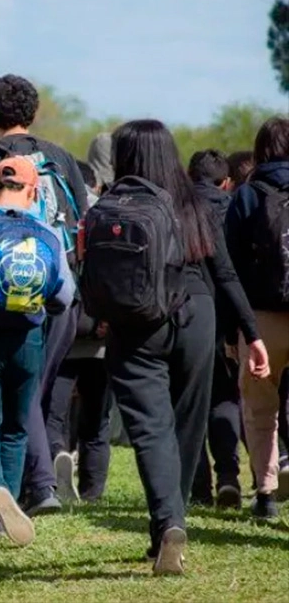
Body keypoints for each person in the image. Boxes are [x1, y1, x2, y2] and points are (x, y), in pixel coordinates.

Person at [90, 120, 264, 574]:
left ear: (124, 157)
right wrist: (252, 333)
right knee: (188, 424)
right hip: (197, 315)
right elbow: (225, 273)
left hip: (135, 322)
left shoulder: (111, 205)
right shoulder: (193, 203)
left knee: (151, 428)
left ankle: (168, 523)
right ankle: (171, 525)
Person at [0, 74, 89, 517]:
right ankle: (33, 486)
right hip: (54, 291)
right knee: (29, 395)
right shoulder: (62, 160)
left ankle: (37, 487)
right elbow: (82, 230)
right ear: (34, 112)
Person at [0, 158, 75, 545]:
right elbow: (64, 297)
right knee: (16, 428)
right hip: (28, 339)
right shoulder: (48, 233)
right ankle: (0, 515)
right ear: (34, 191)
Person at [226, 116, 289, 518]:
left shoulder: (247, 195)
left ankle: (265, 494)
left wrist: (236, 328)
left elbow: (229, 266)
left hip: (260, 321)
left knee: (260, 407)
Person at [47, 159, 112, 504]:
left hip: (65, 332)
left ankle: (57, 455)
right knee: (97, 420)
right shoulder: (107, 213)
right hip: (101, 336)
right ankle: (93, 491)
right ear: (95, 185)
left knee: (53, 413)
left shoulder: (56, 210)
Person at [186, 149, 245, 508]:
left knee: (190, 402)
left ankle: (199, 489)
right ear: (225, 183)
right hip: (228, 317)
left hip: (188, 314)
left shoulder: (177, 207)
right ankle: (228, 475)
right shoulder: (234, 206)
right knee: (225, 398)